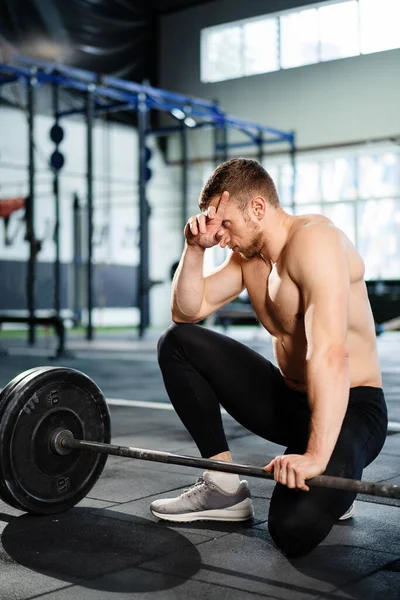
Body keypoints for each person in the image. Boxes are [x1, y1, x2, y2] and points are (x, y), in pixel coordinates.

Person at [151, 158, 387, 558]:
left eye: (225, 224)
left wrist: (315, 457)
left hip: (351, 406)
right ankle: (223, 486)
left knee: (292, 530)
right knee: (178, 342)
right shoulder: (248, 261)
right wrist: (193, 249)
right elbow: (187, 311)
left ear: (258, 208)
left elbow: (330, 352)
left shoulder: (316, 242)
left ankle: (339, 479)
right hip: (290, 403)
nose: (220, 237)